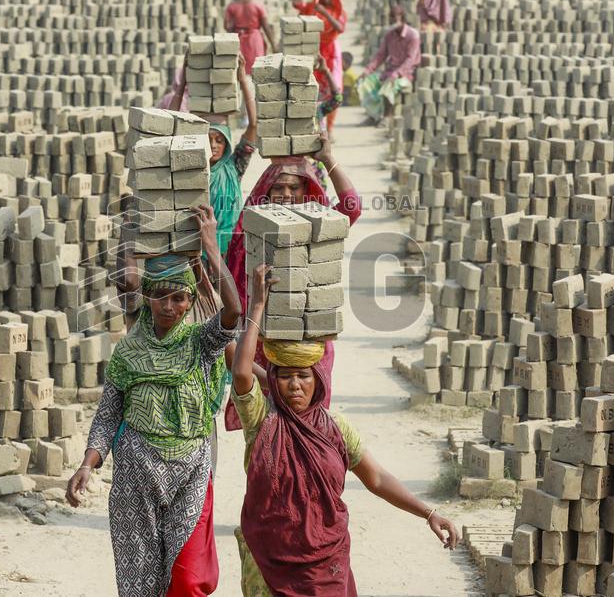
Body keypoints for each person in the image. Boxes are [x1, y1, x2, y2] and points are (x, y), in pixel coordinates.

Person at [231, 264, 460, 595]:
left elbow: (377, 479)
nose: (295, 385)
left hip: (326, 561)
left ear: (318, 379)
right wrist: (258, 306)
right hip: (269, 560)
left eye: (304, 375)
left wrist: (429, 513)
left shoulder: (335, 428)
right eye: (285, 376)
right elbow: (240, 373)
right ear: (274, 380)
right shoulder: (262, 420)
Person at [66, 205, 241, 597]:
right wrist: (88, 463)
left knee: (189, 577)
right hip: (135, 475)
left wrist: (211, 249)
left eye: (179, 298)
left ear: (189, 299)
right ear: (147, 298)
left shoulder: (202, 343)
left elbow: (233, 311)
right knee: (141, 582)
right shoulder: (128, 353)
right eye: (160, 296)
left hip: (192, 469)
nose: (169, 306)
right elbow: (109, 414)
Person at [222, 134, 361, 430]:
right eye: (279, 188)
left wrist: (327, 158)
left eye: (294, 187)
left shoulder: (319, 226)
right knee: (266, 429)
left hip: (311, 344)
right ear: (266, 193)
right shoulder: (251, 235)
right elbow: (234, 299)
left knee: (311, 424)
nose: (286, 194)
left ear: (307, 190)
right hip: (266, 349)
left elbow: (352, 206)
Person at [169, 55, 258, 259]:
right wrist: (183, 83)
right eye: (209, 139)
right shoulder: (190, 167)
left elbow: (253, 124)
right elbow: (170, 125)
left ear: (227, 142)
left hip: (229, 249)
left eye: (219, 140)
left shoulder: (235, 165)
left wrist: (243, 80)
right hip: (195, 250)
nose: (213, 145)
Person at [293, 0, 346, 134]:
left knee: (333, 89)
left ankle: (329, 128)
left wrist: (324, 13)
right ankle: (312, 126)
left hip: (330, 53)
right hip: (311, 50)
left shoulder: (339, 13)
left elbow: (339, 27)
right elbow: (296, 3)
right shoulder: (312, 7)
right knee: (311, 87)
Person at [358, 3, 422, 125]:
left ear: (402, 17)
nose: (392, 19)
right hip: (388, 71)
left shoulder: (413, 35)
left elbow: (410, 60)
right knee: (366, 83)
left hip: (405, 74)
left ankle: (387, 117)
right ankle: (373, 115)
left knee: (389, 85)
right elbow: (381, 55)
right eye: (391, 17)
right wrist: (368, 70)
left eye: (395, 16)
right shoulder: (389, 35)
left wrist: (397, 73)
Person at [225, 0, 277, 71]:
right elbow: (265, 26)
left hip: (238, 40)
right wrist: (273, 44)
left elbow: (227, 27)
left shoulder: (232, 6)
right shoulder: (258, 5)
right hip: (255, 40)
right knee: (257, 70)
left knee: (240, 70)